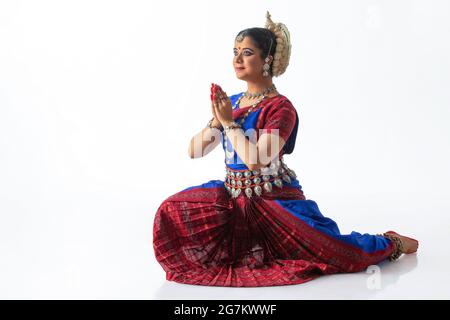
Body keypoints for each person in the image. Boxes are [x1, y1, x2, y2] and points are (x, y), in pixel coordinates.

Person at [152, 11, 419, 287]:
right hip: (234, 201)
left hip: (273, 201)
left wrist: (229, 123)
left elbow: (256, 160)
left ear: (267, 59)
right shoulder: (232, 103)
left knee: (341, 254)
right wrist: (215, 121)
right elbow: (194, 151)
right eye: (235, 52)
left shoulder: (281, 108)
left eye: (246, 53)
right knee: (171, 211)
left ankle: (391, 243)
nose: (237, 59)